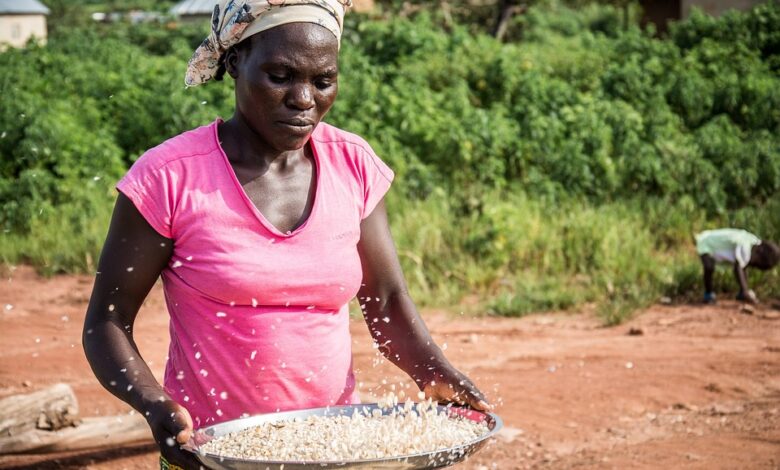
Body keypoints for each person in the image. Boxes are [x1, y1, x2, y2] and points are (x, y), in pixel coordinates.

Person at [82, 1, 490, 469]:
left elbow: (387, 302)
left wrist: (436, 372)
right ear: (235, 62)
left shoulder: (351, 163)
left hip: (331, 448)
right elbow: (105, 323)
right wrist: (156, 406)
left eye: (323, 81)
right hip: (214, 453)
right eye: (280, 76)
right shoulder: (170, 177)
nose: (303, 99)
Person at [695, 228, 780, 304]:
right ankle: (708, 295)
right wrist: (745, 292)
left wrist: (745, 289)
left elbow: (743, 267)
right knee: (709, 267)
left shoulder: (753, 241)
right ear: (759, 253)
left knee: (742, 266)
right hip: (706, 243)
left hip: (709, 238)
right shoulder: (745, 247)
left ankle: (742, 293)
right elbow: (738, 269)